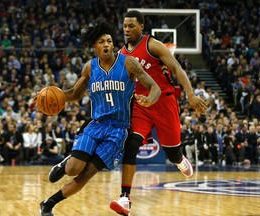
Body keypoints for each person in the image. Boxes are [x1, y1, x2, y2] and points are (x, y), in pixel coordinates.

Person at [39, 21, 161, 216]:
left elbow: (155, 87)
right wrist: (51, 96)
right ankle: (65, 163)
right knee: (73, 169)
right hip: (96, 125)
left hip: (118, 131)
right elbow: (75, 93)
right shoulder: (90, 68)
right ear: (95, 46)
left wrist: (149, 100)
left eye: (109, 41)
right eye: (102, 41)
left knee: (85, 176)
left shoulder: (128, 63)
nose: (106, 44)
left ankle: (48, 204)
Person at [110, 10, 208, 216]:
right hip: (140, 105)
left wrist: (190, 94)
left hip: (164, 101)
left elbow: (177, 68)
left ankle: (180, 159)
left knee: (172, 153)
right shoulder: (121, 55)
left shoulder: (152, 45)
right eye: (125, 26)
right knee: (131, 144)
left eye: (131, 26)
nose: (127, 29)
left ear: (141, 27)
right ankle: (125, 197)